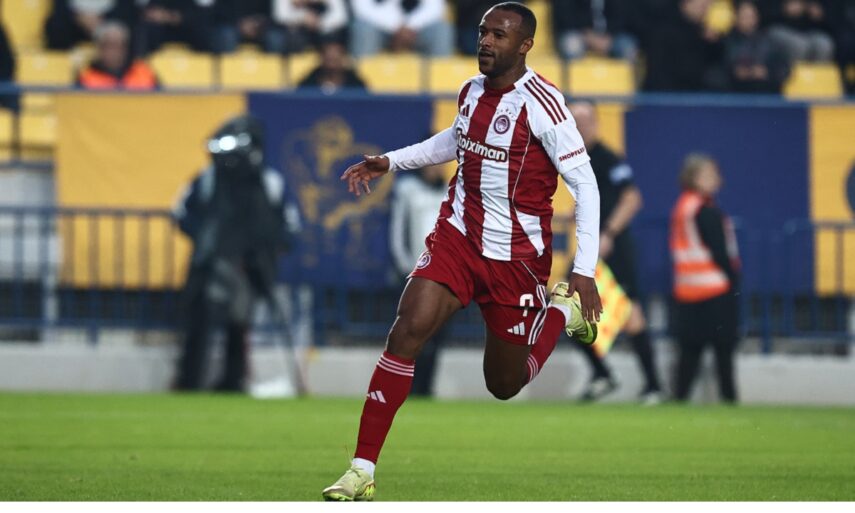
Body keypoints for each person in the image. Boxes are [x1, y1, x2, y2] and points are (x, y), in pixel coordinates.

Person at [322, 2, 602, 501]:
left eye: (499, 35)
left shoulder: (544, 104)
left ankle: (561, 311)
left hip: (516, 257)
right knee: (406, 330)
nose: (486, 42)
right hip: (458, 237)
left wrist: (584, 270)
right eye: (483, 32)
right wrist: (391, 161)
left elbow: (586, 185)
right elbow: (456, 140)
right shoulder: (471, 90)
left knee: (504, 384)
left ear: (525, 45)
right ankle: (361, 470)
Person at [172, 115, 301, 392]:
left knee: (239, 323)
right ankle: (189, 380)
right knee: (200, 320)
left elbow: (289, 225)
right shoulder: (208, 178)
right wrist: (207, 239)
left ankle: (233, 381)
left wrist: (267, 250)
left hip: (249, 265)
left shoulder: (270, 182)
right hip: (213, 263)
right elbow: (181, 213)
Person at [567, 101, 662, 404]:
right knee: (566, 310)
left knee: (632, 315)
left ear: (595, 124)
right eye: (574, 122)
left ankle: (653, 386)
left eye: (584, 121)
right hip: (591, 248)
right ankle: (603, 374)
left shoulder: (608, 159)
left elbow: (632, 199)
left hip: (613, 247)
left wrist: (607, 232)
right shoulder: (575, 160)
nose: (580, 128)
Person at [669, 154, 740, 404]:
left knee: (689, 351)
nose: (717, 179)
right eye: (710, 174)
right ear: (695, 178)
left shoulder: (683, 207)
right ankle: (728, 399)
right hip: (714, 289)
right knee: (724, 350)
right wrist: (733, 278)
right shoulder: (705, 210)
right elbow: (720, 251)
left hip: (687, 290)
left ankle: (679, 401)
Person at [389, 164, 449, 397]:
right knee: (411, 335)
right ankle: (406, 386)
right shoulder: (408, 189)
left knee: (436, 339)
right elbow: (397, 231)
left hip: (444, 276)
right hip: (416, 275)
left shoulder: (451, 191)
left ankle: (426, 388)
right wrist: (406, 267)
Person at [642, 0, 723, 92]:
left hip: (696, 94)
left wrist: (712, 43)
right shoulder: (664, 30)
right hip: (665, 95)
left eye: (708, 6)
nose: (706, 10)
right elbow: (658, 73)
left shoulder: (705, 34)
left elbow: (711, 68)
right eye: (703, 6)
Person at [721, 1, 790, 94]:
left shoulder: (770, 41)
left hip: (764, 92)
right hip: (733, 92)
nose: (748, 20)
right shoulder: (725, 42)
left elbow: (783, 69)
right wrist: (734, 72)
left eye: (751, 16)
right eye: (744, 17)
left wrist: (767, 72)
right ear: (736, 18)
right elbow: (719, 68)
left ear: (757, 18)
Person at [349, 0, 454, 58]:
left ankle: (441, 86)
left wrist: (410, 26)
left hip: (416, 29)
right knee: (362, 29)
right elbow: (361, 8)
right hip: (379, 28)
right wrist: (395, 26)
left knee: (442, 30)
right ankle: (361, 85)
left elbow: (435, 7)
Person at [76, 21, 159, 90]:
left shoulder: (143, 71)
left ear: (126, 48)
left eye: (119, 45)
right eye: (109, 45)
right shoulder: (86, 76)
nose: (114, 51)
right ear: (99, 48)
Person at [550, 0, 640, 62]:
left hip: (610, 36)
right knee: (572, 46)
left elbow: (622, 16)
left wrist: (609, 36)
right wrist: (588, 36)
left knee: (629, 48)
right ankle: (577, 83)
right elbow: (565, 16)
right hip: (579, 34)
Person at [757, 0, 834, 63]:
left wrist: (815, 12)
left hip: (804, 29)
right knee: (799, 45)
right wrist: (784, 9)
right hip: (776, 26)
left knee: (823, 44)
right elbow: (762, 13)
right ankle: (793, 74)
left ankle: (817, 76)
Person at [44, 0, 137, 50]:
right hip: (73, 29)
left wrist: (104, 25)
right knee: (56, 26)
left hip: (111, 26)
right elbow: (58, 10)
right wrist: (78, 18)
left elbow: (128, 12)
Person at [297, 39, 367, 93]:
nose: (332, 65)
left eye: (335, 60)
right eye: (329, 60)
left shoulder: (354, 83)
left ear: (343, 57)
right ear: (321, 57)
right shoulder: (309, 82)